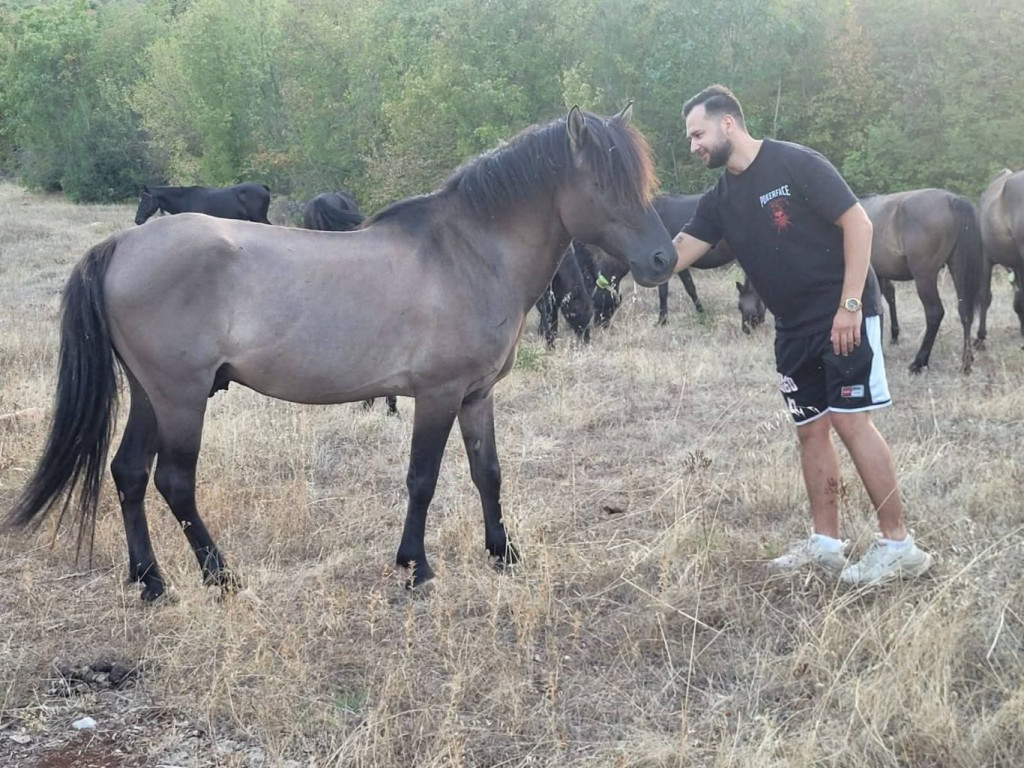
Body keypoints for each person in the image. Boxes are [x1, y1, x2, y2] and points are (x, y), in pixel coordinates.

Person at [671, 84, 932, 586]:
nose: (693, 146)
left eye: (698, 134)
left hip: (842, 314)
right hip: (792, 328)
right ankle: (826, 546)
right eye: (690, 139)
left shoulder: (794, 163)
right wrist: (636, 252)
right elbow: (682, 248)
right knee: (811, 429)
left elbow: (858, 224)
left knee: (852, 422)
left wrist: (850, 306)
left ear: (728, 123)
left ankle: (900, 546)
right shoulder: (719, 199)